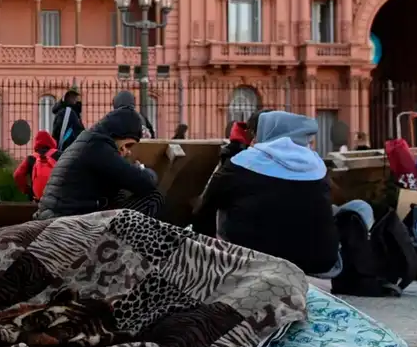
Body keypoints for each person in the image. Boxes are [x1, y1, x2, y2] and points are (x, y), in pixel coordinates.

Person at [193, 110, 340, 276]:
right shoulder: (316, 165)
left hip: (253, 262)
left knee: (221, 205)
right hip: (318, 265)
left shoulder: (243, 162)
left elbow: (205, 209)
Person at [37, 107, 163, 219]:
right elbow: (145, 183)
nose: (127, 152)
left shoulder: (89, 140)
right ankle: (127, 244)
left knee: (118, 194)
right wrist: (143, 171)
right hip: (68, 222)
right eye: (128, 145)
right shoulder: (99, 147)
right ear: (118, 134)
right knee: (153, 197)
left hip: (55, 216)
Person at [12, 130, 60, 203]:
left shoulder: (31, 158)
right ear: (51, 141)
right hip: (56, 198)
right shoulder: (59, 155)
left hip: (37, 199)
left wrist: (27, 190)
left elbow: (17, 175)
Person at [50, 88, 85, 154]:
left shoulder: (72, 111)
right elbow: (62, 131)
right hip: (67, 148)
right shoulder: (67, 111)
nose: (74, 99)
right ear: (66, 98)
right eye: (71, 97)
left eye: (75, 97)